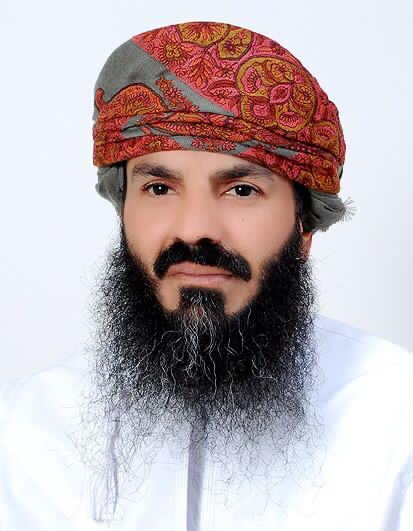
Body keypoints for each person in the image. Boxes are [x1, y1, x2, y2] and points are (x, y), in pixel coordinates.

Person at [0, 21, 412, 531]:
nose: (194, 228)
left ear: (304, 224)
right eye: (159, 189)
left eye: (241, 190)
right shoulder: (24, 435)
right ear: (123, 209)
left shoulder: (397, 425)